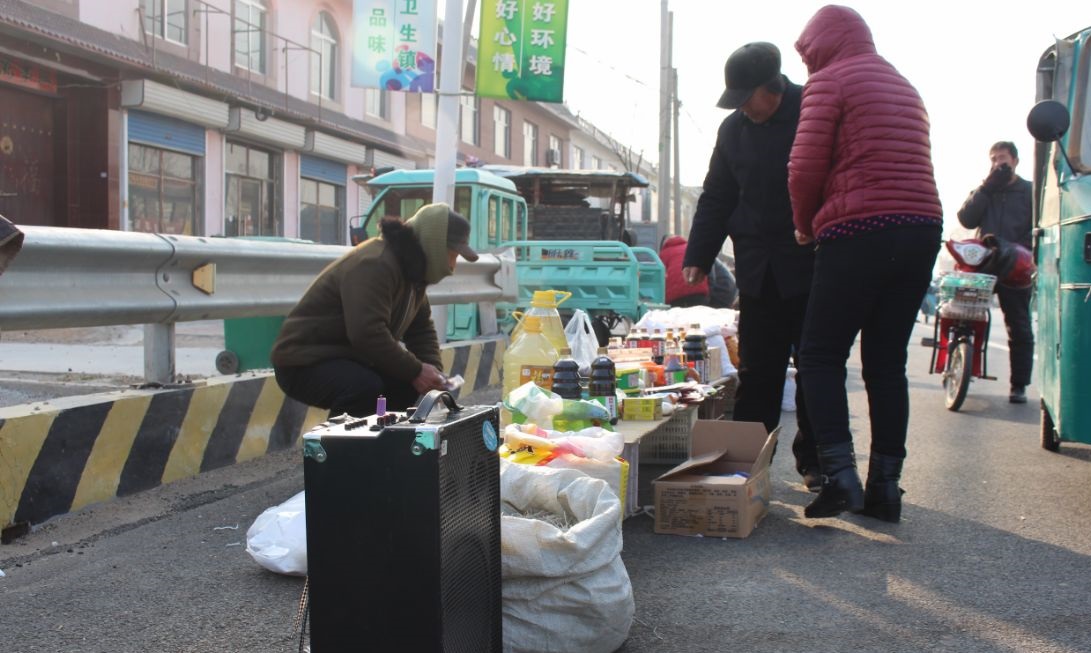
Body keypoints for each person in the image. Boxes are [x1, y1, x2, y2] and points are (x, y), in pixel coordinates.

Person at [789, 5, 943, 522]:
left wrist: (805, 224)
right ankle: (885, 489)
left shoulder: (830, 81)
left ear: (821, 45)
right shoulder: (903, 84)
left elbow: (804, 166)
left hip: (859, 229)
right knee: (886, 362)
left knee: (820, 354)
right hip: (921, 227)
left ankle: (839, 477)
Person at [682, 41, 820, 489]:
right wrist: (699, 255)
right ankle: (747, 468)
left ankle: (816, 464)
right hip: (759, 268)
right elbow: (717, 194)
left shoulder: (813, 110)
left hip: (812, 265)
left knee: (816, 369)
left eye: (747, 98)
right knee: (758, 371)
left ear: (772, 87)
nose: (743, 108)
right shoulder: (733, 130)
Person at [271, 204, 479, 417]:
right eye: (452, 255)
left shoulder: (413, 274)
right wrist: (417, 370)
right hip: (303, 360)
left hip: (350, 356)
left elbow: (421, 331)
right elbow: (366, 332)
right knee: (363, 387)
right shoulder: (376, 263)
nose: (452, 266)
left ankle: (385, 437)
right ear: (433, 245)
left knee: (406, 385)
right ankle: (340, 439)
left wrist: (433, 375)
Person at [956, 141, 1034, 404]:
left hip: (1015, 266)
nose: (998, 163)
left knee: (1019, 326)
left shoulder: (1029, 191)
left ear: (1015, 161)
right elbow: (966, 219)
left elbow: (1037, 227)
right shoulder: (985, 189)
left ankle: (1019, 385)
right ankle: (960, 365)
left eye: (1002, 158)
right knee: (964, 315)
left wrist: (1020, 251)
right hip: (984, 265)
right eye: (993, 158)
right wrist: (986, 188)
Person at [660, 235, 709, 307]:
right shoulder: (691, 248)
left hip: (675, 297)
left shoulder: (664, 253)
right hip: (699, 293)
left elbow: (660, 277)